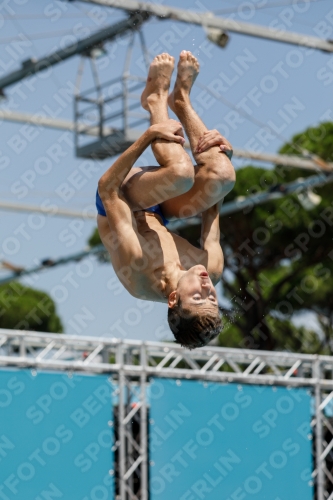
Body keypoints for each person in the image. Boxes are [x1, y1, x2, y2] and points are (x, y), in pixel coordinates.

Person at [97, 51, 235, 349]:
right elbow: (214, 205)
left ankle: (155, 100)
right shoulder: (210, 267)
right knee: (223, 176)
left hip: (120, 200)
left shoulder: (138, 267)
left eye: (198, 296)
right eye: (212, 296)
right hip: (159, 211)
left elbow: (107, 187)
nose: (206, 286)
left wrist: (148, 136)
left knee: (181, 173)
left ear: (173, 298)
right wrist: (222, 157)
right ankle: (181, 101)